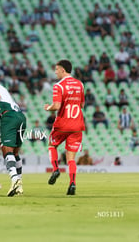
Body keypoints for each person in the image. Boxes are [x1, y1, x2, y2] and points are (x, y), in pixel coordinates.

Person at [44, 60, 85, 195]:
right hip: (77, 124)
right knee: (71, 158)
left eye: (56, 69)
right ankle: (72, 183)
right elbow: (82, 105)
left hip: (62, 124)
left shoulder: (59, 86)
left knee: (51, 145)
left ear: (62, 70)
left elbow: (56, 106)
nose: (55, 72)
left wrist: (48, 107)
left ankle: (55, 168)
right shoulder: (80, 85)